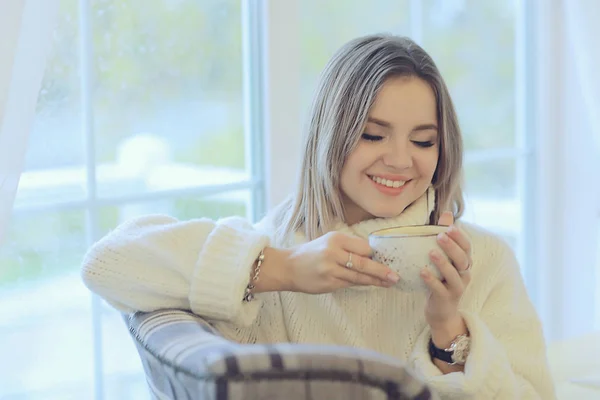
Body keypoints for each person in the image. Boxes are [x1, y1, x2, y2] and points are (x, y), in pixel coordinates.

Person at [81, 34, 555, 399]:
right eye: (373, 135)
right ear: (332, 135)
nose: (399, 159)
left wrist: (449, 330)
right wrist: (283, 270)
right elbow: (105, 266)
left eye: (423, 141)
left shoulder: (483, 259)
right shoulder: (278, 248)